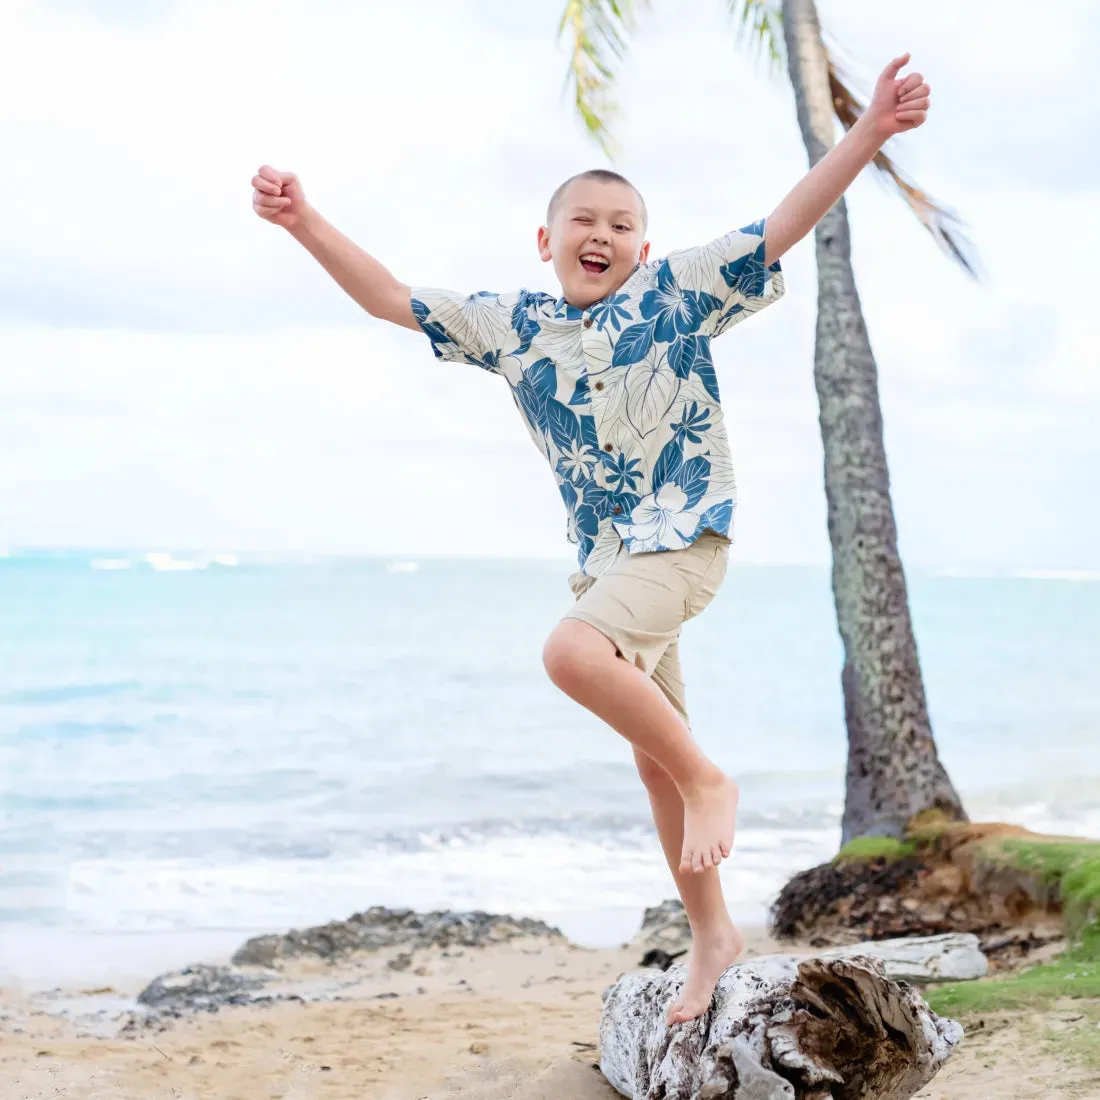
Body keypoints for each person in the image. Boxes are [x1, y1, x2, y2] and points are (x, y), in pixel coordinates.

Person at [252, 54, 930, 1024]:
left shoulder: (680, 292)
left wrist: (864, 132)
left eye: (621, 225)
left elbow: (784, 220)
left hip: (684, 537)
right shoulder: (510, 325)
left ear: (643, 248)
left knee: (573, 652)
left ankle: (711, 778)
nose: (602, 234)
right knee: (649, 754)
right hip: (610, 562)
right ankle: (712, 933)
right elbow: (388, 297)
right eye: (584, 221)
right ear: (547, 239)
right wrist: (301, 220)